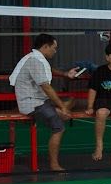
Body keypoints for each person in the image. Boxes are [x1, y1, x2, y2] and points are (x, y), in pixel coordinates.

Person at [9, 33, 75, 172]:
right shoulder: (35, 61)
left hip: (39, 101)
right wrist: (62, 107)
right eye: (54, 48)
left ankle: (59, 111)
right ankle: (54, 165)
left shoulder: (36, 58)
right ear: (45, 47)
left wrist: (65, 74)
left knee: (72, 102)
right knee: (59, 128)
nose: (55, 51)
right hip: (32, 104)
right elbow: (46, 87)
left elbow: (49, 69)